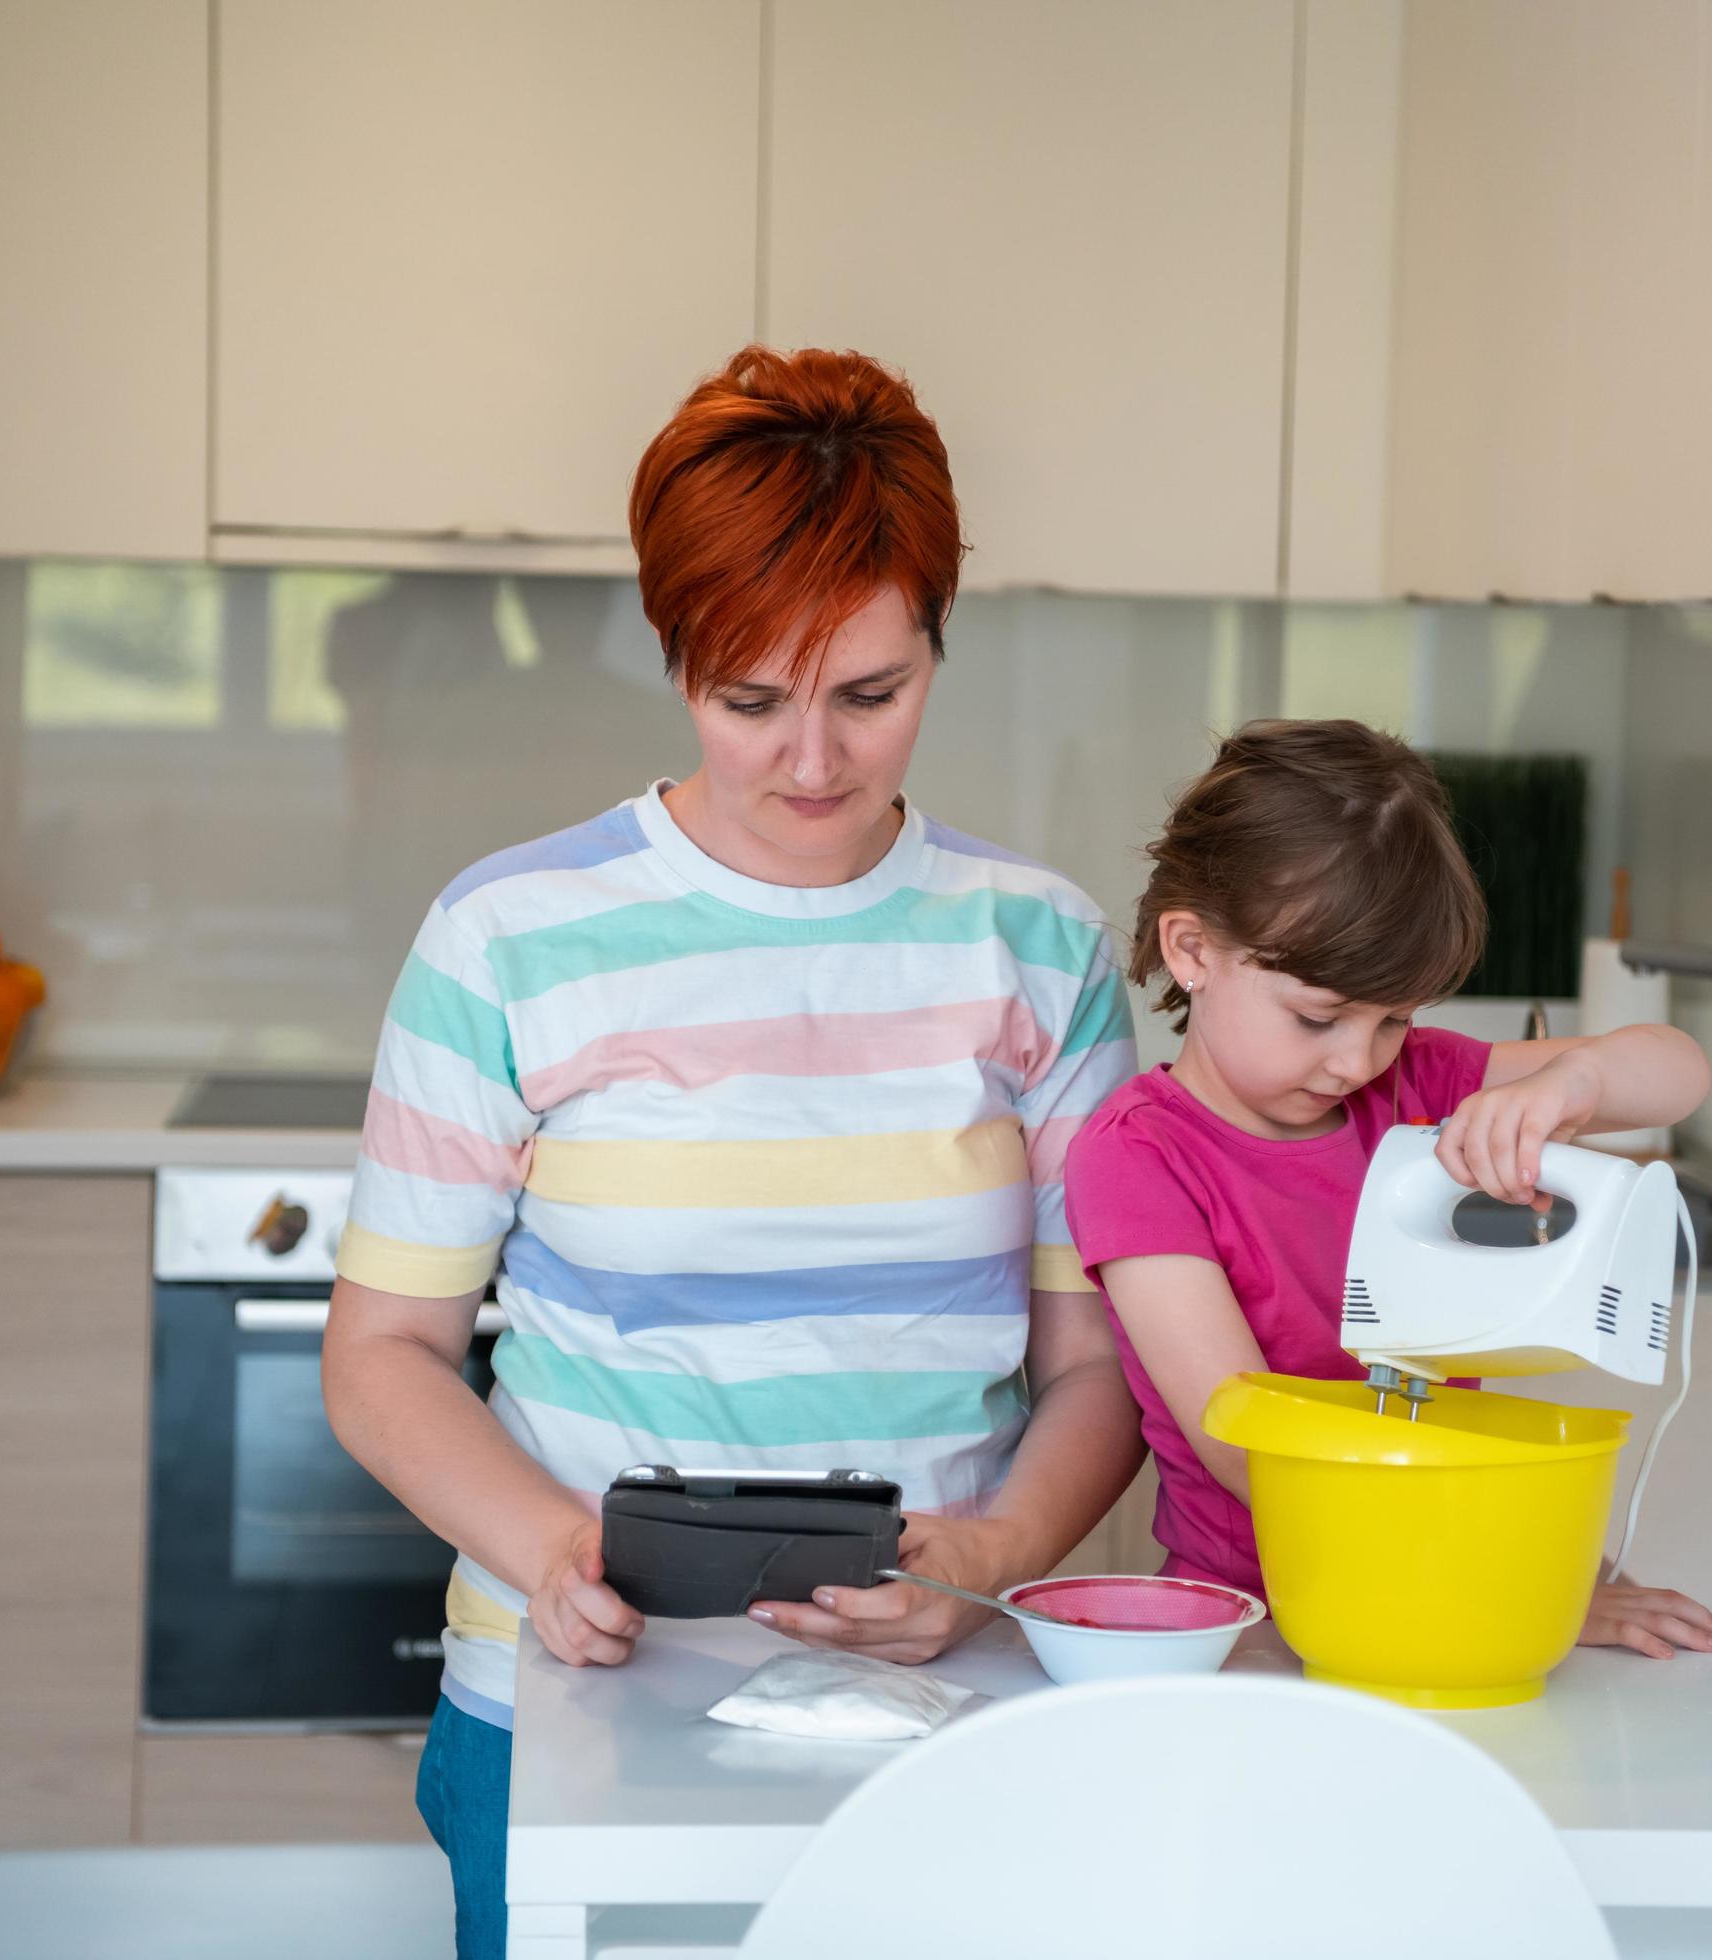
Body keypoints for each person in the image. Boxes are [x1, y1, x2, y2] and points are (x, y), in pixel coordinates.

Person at [321, 347, 1145, 1960]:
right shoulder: (509, 939)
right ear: (676, 658)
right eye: (751, 700)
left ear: (937, 647)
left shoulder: (1039, 946)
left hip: (939, 1715)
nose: (813, 763)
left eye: (871, 693)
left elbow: (1097, 1371)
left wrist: (985, 1558)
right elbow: (385, 1355)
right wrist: (558, 1550)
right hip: (572, 1705)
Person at [1064, 718, 1712, 1660]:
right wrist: (1504, 1573)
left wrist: (1575, 1082)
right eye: (1320, 1015)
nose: (1355, 1060)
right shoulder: (1138, 1156)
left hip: (1450, 1565)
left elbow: (1679, 1071)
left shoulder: (1413, 1089)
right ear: (1190, 950)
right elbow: (1244, 1441)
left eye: (1394, 1020)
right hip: (1252, 1621)